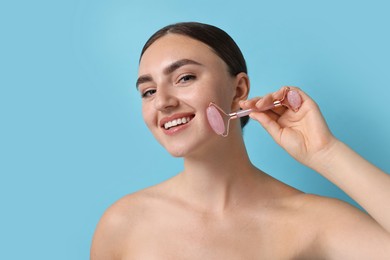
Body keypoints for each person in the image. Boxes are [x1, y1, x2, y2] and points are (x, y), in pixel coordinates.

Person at [91, 22, 390, 259]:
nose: (162, 102)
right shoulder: (122, 223)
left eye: (184, 78)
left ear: (238, 90)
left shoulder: (313, 222)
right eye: (148, 91)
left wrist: (327, 152)